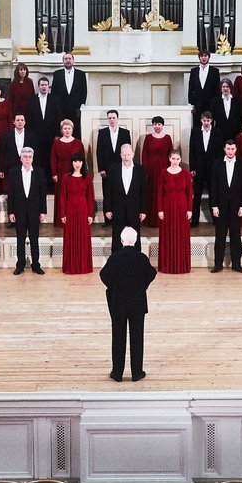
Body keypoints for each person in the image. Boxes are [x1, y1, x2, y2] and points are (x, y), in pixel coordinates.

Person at [100, 227, 157, 383]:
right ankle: (136, 372)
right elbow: (151, 274)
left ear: (121, 240)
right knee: (137, 338)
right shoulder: (141, 258)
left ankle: (117, 373)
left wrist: (114, 287)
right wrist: (141, 286)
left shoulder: (114, 258)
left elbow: (103, 276)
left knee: (117, 337)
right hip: (137, 303)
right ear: (136, 240)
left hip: (118, 303)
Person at [210, 139, 242, 273]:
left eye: (232, 149)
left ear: (236, 149)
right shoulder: (216, 164)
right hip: (220, 207)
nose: (230, 151)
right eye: (228, 149)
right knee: (219, 236)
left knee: (235, 236)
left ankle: (236, 264)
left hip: (236, 207)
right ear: (224, 149)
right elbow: (213, 187)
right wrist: (214, 206)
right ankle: (218, 264)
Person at [6, 149, 47, 275]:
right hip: (19, 211)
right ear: (21, 158)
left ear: (33, 158)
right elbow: (11, 194)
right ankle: (20, 265)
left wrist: (43, 211)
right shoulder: (13, 173)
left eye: (30, 157)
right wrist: (11, 212)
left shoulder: (39, 172)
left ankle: (36, 265)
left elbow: (42, 194)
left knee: (34, 239)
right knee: (20, 239)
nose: (27, 159)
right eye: (25, 157)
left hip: (34, 211)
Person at [104, 144, 146, 249]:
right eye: (124, 155)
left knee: (135, 235)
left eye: (128, 154)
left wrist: (143, 210)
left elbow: (144, 192)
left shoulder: (140, 170)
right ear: (120, 155)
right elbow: (108, 191)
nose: (126, 157)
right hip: (118, 208)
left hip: (134, 209)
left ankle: (135, 261)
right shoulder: (113, 169)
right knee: (117, 236)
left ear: (132, 154)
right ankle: (116, 261)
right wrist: (108, 209)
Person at [158, 148, 193, 273]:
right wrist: (160, 210)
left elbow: (189, 193)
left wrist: (189, 209)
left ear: (180, 160)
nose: (175, 161)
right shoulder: (163, 173)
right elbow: (159, 193)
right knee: (167, 234)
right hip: (167, 206)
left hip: (182, 207)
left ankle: (181, 265)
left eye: (177, 159)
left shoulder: (185, 173)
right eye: (173, 158)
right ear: (169, 159)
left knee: (181, 235)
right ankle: (167, 265)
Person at [59, 152, 95, 274]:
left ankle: (84, 266)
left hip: (83, 208)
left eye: (79, 161)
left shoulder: (87, 178)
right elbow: (63, 196)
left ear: (82, 163)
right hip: (70, 208)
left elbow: (90, 197)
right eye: (75, 161)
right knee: (71, 236)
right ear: (72, 163)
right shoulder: (65, 177)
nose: (77, 164)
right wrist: (62, 213)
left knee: (83, 237)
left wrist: (90, 214)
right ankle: (71, 266)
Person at [189, 112, 222, 226]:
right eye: (204, 121)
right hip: (198, 168)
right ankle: (194, 220)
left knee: (214, 194)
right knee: (197, 194)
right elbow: (192, 150)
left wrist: (218, 169)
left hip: (213, 168)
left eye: (208, 121)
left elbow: (219, 152)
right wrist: (192, 167)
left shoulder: (217, 132)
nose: (206, 123)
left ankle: (216, 219)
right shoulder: (195, 131)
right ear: (201, 120)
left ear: (211, 120)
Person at [50, 120, 84, 224]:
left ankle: (74, 218)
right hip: (61, 172)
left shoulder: (78, 143)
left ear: (72, 129)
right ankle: (62, 220)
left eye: (69, 128)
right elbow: (53, 159)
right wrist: (54, 173)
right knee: (62, 195)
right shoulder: (57, 143)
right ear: (61, 130)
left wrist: (82, 172)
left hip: (75, 172)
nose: (67, 130)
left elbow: (82, 158)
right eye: (65, 128)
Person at [141, 117, 174, 216]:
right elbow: (144, 155)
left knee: (163, 190)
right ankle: (151, 217)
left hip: (164, 167)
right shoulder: (148, 138)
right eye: (155, 124)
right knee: (151, 192)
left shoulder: (167, 138)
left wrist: (170, 170)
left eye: (159, 124)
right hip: (151, 169)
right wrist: (145, 171)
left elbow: (170, 154)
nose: (157, 126)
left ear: (162, 125)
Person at [95, 109, 132, 184]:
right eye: (109, 118)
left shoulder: (125, 133)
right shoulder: (102, 133)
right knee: (107, 189)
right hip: (107, 168)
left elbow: (128, 151)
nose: (112, 120)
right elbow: (99, 151)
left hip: (122, 166)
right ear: (107, 119)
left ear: (117, 119)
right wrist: (101, 169)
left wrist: (128, 166)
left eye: (113, 118)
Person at [52, 52, 88, 127]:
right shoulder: (57, 74)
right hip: (61, 109)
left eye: (69, 59)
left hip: (76, 110)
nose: (68, 60)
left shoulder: (81, 74)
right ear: (63, 61)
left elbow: (84, 91)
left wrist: (81, 107)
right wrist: (56, 108)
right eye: (66, 59)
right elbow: (54, 92)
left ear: (73, 61)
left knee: (76, 130)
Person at [0, 113, 36, 186]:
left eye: (22, 120)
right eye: (18, 120)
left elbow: (36, 153)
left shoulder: (31, 135)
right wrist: (1, 169)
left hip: (27, 166)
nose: (20, 122)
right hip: (11, 166)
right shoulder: (7, 135)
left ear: (25, 122)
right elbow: (2, 153)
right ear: (13, 122)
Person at [24, 77, 61, 150]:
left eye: (46, 85)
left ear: (48, 86)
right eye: (42, 85)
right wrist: (29, 135)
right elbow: (28, 118)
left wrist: (58, 134)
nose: (44, 87)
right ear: (38, 86)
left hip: (51, 135)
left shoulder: (55, 100)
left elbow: (58, 117)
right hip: (35, 135)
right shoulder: (31, 100)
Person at [188, 51, 221, 118]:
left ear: (209, 58)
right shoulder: (194, 71)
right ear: (199, 58)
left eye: (205, 56)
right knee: (197, 125)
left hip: (210, 104)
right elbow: (191, 88)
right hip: (197, 105)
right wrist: (191, 104)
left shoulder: (215, 71)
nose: (204, 58)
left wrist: (215, 104)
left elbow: (217, 89)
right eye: (202, 56)